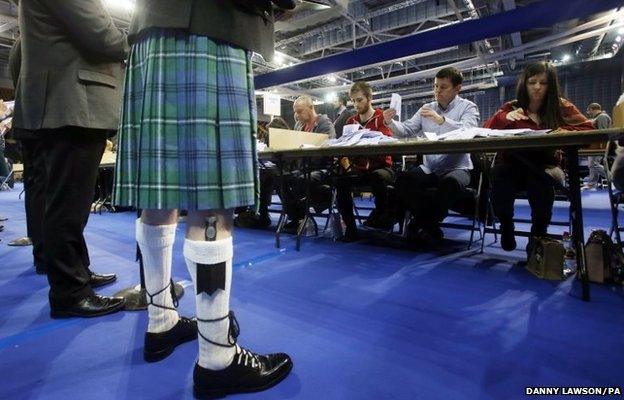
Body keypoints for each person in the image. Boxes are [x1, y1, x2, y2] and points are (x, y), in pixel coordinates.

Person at [113, 0, 295, 397]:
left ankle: (160, 322)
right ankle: (217, 358)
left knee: (159, 190)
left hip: (152, 31)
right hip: (212, 24)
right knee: (211, 197)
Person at [13, 0, 127, 317]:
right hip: (73, 102)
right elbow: (101, 36)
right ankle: (69, 291)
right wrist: (133, 41)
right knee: (68, 204)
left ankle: (77, 272)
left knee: (68, 202)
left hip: (69, 102)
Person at [484, 61, 594, 254]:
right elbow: (485, 129)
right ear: (524, 84)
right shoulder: (511, 107)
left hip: (546, 164)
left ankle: (537, 236)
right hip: (512, 164)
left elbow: (588, 129)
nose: (537, 87)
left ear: (550, 85)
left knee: (541, 183)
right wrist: (504, 119)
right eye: (532, 82)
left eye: (543, 83)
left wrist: (563, 131)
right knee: (499, 176)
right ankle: (506, 225)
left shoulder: (562, 106)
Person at [383, 67, 479, 245]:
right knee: (402, 179)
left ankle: (419, 223)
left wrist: (442, 120)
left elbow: (469, 130)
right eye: (435, 86)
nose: (437, 91)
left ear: (457, 89)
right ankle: (430, 225)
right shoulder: (426, 108)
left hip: (458, 168)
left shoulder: (468, 107)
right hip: (431, 168)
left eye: (443, 87)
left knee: (450, 184)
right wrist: (390, 122)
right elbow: (406, 131)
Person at [336, 81, 394, 241]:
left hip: (382, 167)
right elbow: (343, 148)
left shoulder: (382, 118)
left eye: (359, 100)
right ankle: (350, 228)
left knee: (378, 177)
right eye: (353, 101)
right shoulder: (350, 122)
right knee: (340, 181)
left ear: (370, 98)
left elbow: (389, 141)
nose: (355, 104)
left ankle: (382, 217)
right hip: (359, 169)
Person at [281, 95, 335, 232]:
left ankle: (302, 217)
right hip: (303, 168)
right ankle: (297, 217)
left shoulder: (325, 124)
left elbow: (327, 152)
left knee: (300, 179)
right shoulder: (299, 127)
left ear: (311, 108)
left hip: (322, 169)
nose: (296, 115)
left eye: (299, 111)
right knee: (280, 178)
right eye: (295, 111)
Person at [583, 102, 612, 189]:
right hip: (594, 145)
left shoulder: (602, 116)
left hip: (599, 145)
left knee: (594, 164)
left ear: (591, 109)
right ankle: (591, 184)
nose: (589, 114)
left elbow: (602, 132)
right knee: (591, 165)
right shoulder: (598, 117)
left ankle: (613, 178)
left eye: (588, 112)